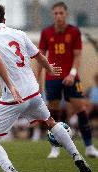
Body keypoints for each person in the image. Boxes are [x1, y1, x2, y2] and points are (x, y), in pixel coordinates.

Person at [0, 3, 91, 172]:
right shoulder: (19, 33)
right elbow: (38, 55)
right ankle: (77, 156)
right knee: (50, 122)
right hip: (33, 91)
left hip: (14, 98)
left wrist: (10, 86)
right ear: (4, 19)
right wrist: (49, 68)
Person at [37, 2, 98, 158]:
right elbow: (40, 57)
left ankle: (89, 147)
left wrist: (72, 73)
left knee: (81, 108)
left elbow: (77, 56)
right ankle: (55, 148)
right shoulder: (46, 33)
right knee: (54, 112)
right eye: (56, 13)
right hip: (53, 78)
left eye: (61, 13)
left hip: (72, 77)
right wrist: (37, 79)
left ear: (66, 14)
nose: (58, 16)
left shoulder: (74, 31)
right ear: (53, 15)